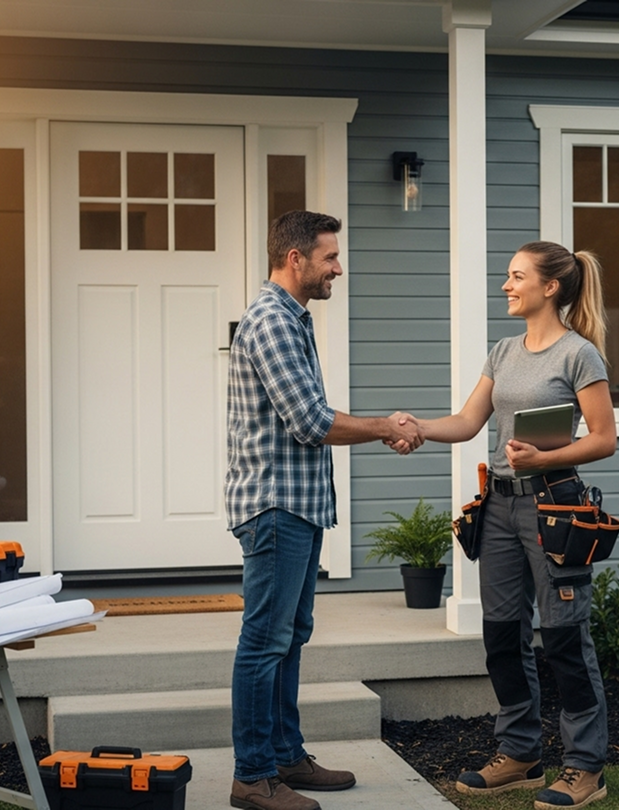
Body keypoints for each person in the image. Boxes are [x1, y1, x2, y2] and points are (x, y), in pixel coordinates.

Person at [405, 241, 617, 810]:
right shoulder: (502, 351)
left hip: (554, 507)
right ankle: (521, 752)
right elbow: (468, 421)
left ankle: (585, 768)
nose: (506, 285)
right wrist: (413, 427)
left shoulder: (578, 355)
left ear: (550, 287)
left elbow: (603, 438)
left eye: (516, 276)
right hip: (498, 507)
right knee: (501, 635)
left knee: (566, 637)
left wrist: (543, 459)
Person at [226, 210, 423, 810]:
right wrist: (384, 426)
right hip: (276, 506)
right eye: (330, 257)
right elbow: (310, 422)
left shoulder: (293, 318)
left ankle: (285, 757)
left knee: (288, 637)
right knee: (264, 641)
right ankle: (253, 776)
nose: (339, 266)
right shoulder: (272, 323)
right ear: (296, 260)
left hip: (298, 506)